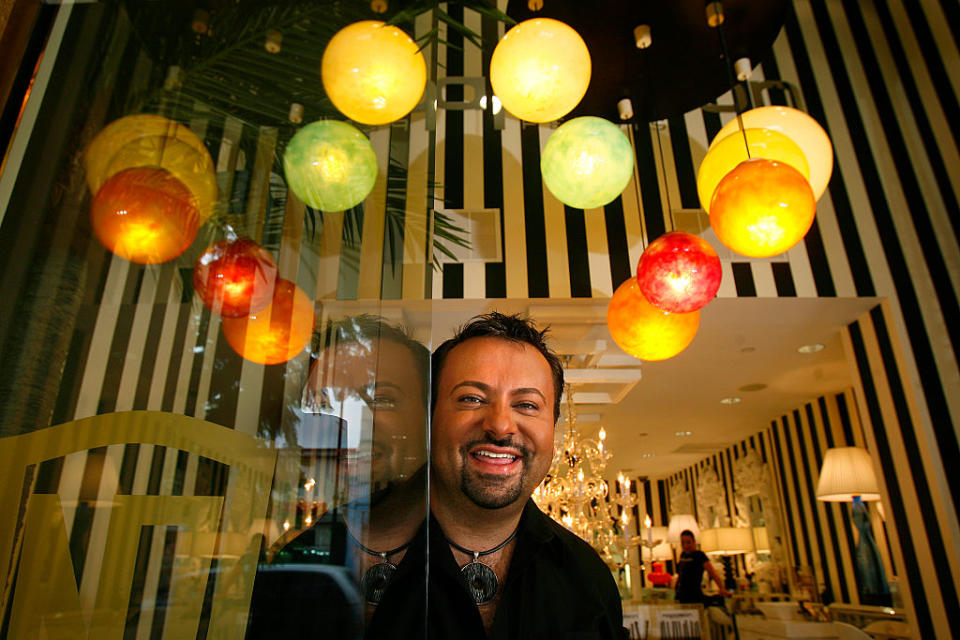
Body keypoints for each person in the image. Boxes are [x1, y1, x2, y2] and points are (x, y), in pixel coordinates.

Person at [371, 312, 625, 639]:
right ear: (429, 420)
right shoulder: (352, 554)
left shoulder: (588, 577)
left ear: (552, 430)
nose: (501, 425)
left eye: (527, 405)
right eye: (472, 399)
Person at [246, 315, 430, 639]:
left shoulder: (484, 554)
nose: (347, 425)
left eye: (380, 399)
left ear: (430, 417)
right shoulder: (292, 563)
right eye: (324, 405)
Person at [673, 529, 731, 605]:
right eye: (683, 543)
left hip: (694, 594)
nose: (685, 546)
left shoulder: (699, 555)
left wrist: (722, 588)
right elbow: (681, 575)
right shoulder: (683, 555)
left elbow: (712, 572)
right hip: (681, 595)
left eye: (688, 542)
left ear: (694, 542)